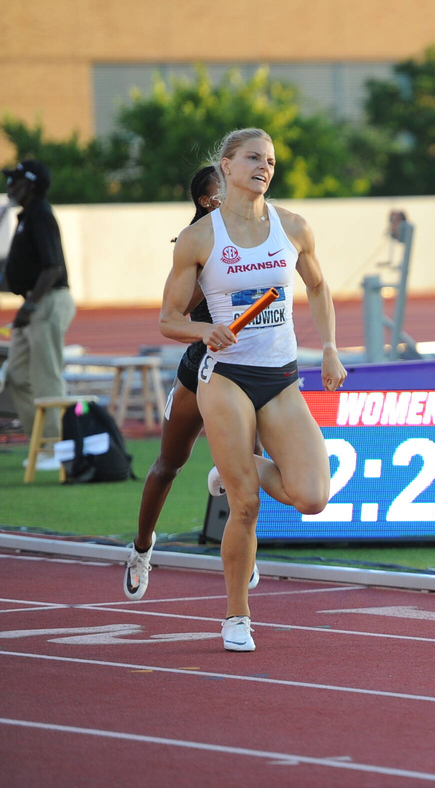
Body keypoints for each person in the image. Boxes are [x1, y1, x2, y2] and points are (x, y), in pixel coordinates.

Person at [159, 129, 346, 652]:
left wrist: (329, 346)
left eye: (271, 160)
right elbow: (168, 319)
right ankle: (236, 616)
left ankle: (231, 466)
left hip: (281, 376)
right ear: (227, 165)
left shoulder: (293, 227)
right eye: (253, 158)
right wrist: (203, 330)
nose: (265, 167)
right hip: (225, 378)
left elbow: (317, 285)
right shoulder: (200, 238)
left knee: (312, 497)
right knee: (245, 507)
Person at [122, 166, 266, 599]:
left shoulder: (263, 231)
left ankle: (244, 551)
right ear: (207, 201)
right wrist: (208, 294)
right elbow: (173, 318)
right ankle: (142, 549)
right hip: (201, 365)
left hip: (246, 368)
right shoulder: (199, 241)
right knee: (169, 464)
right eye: (226, 189)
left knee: (251, 463)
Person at [2, 160, 75, 471]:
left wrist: (30, 306)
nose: (9, 187)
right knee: (17, 378)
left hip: (46, 301)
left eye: (15, 181)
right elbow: (20, 271)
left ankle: (56, 450)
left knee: (46, 377)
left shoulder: (40, 215)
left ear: (30, 185)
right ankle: (39, 446)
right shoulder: (26, 217)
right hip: (33, 302)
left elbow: (52, 267)